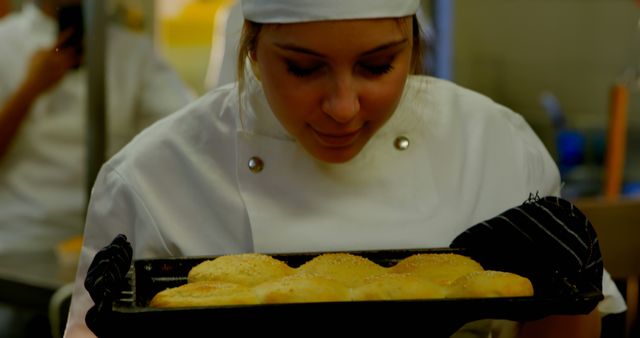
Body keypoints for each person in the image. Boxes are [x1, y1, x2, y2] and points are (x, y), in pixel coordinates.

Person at [64, 0, 626, 337]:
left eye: (378, 65)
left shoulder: (496, 145)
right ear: (252, 49)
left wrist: (570, 298)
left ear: (412, 43)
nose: (343, 106)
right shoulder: (154, 176)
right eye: (304, 68)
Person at [0, 0, 195, 254]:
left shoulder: (133, 52)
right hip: (21, 237)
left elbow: (183, 128)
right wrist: (29, 90)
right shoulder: (5, 42)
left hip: (111, 240)